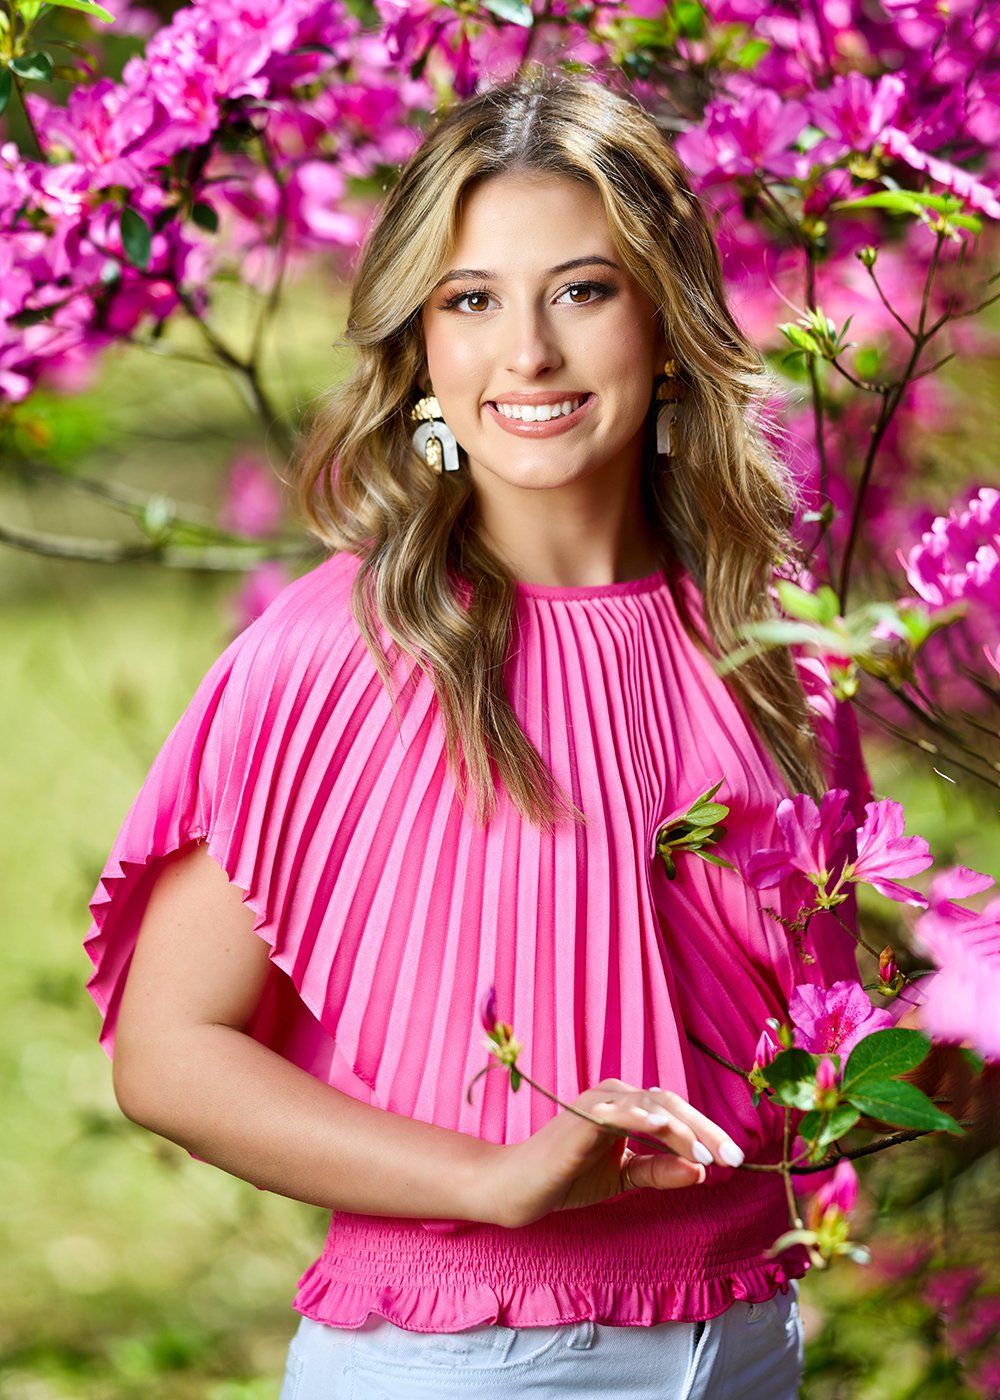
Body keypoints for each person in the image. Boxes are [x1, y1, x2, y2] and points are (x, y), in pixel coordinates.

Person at [83, 68, 881, 1398]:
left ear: (669, 322)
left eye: (582, 289)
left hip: (746, 1338)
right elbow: (169, 1051)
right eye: (472, 301)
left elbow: (804, 1005)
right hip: (471, 1360)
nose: (528, 356)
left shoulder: (782, 638)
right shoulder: (343, 650)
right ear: (424, 351)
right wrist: (494, 1182)